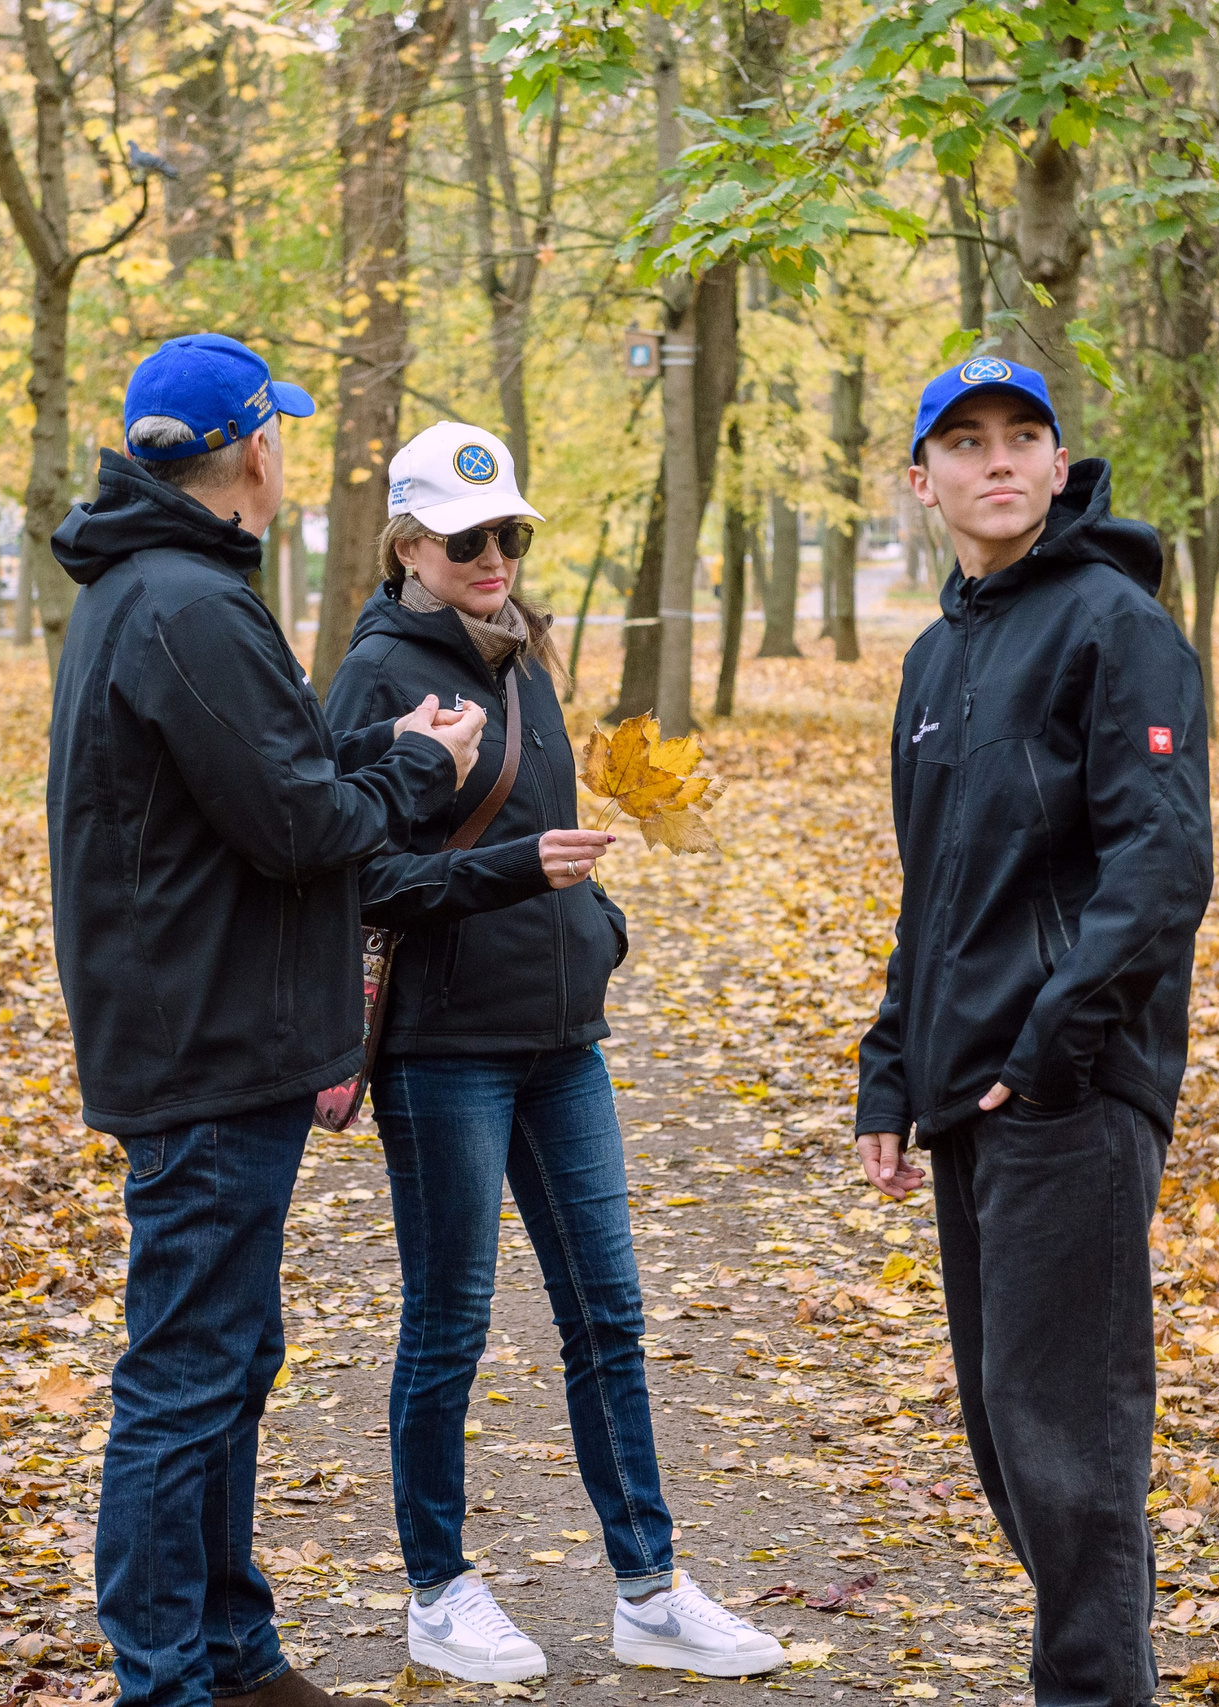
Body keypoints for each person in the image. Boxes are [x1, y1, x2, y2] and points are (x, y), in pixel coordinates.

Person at [48, 336, 487, 1707]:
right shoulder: (187, 602)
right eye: (279, 431)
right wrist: (420, 772)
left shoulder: (162, 589)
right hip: (206, 1043)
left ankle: (232, 1653)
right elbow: (299, 827)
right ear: (255, 448)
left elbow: (260, 778)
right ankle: (165, 1678)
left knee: (232, 1355)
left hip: (209, 1028)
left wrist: (380, 748)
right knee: (187, 1373)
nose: (284, 451)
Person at [322, 422, 786, 1685]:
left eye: (510, 534)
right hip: (445, 1049)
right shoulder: (374, 679)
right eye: (463, 538)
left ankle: (649, 1589)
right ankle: (437, 1590)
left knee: (609, 1316)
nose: (493, 555)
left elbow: (543, 828)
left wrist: (596, 926)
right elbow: (360, 877)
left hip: (562, 1041)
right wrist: (518, 875)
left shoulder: (520, 655)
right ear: (406, 546)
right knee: (450, 1323)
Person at [854, 357, 1213, 1707]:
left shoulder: (1116, 626)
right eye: (964, 441)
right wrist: (890, 1069)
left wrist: (1053, 1046)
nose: (995, 459)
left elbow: (1160, 866)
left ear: (1059, 467)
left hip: (1068, 1088)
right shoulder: (936, 657)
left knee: (1068, 1441)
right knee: (1011, 1433)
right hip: (969, 1089)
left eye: (1022, 436)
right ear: (922, 480)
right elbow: (935, 886)